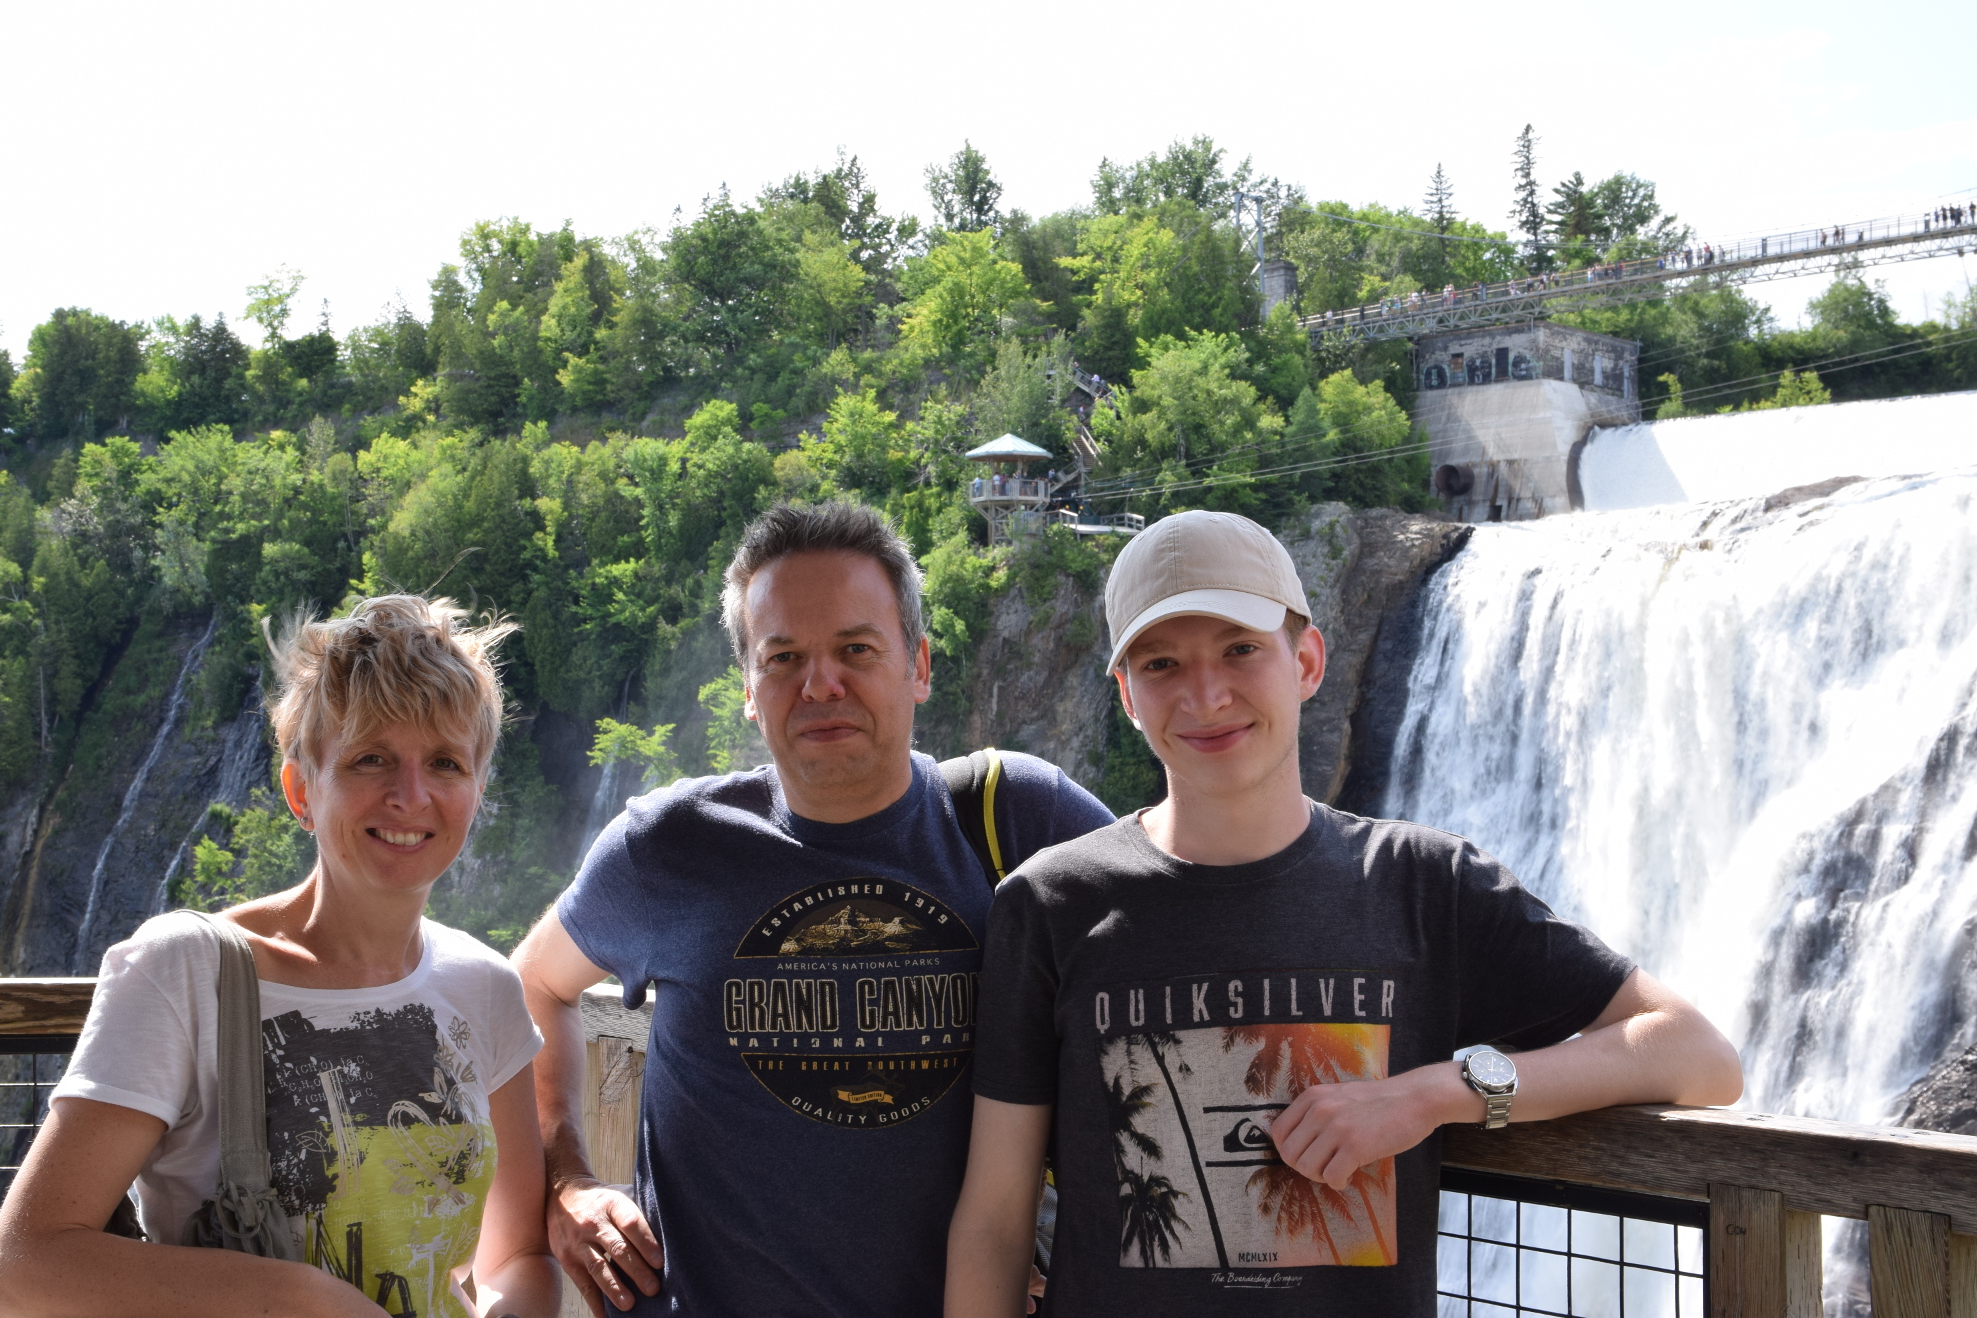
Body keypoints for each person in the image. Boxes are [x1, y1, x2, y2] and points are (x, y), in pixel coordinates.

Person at [946, 511, 1743, 1318]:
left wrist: (1433, 1092)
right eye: (1161, 663)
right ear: (1127, 695)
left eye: (1240, 648)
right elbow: (994, 1221)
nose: (1206, 694)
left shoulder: (1426, 885)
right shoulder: (1050, 905)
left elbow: (1699, 1054)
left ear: (1308, 660)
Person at [511, 501, 1113, 1315]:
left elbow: (1182, 946)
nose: (820, 684)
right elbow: (531, 984)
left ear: (919, 664)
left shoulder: (1018, 817)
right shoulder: (671, 845)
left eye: (856, 649)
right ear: (749, 688)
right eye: (783, 656)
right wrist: (565, 1177)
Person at [0, 596, 561, 1318]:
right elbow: (24, 1271)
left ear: (477, 791)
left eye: (445, 762)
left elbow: (516, 1255)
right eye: (371, 758)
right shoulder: (184, 972)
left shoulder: (485, 987)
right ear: (300, 790)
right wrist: (306, 1298)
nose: (410, 795)